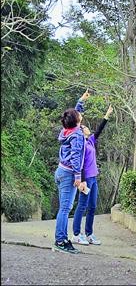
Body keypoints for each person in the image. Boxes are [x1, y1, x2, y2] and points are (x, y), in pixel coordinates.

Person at [72, 91, 113, 246]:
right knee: (82, 205)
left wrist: (107, 115)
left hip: (93, 177)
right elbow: (79, 163)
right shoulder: (81, 143)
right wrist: (81, 180)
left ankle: (89, 234)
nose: (87, 128)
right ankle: (76, 234)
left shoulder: (91, 140)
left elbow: (100, 129)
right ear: (81, 131)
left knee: (92, 206)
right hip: (85, 178)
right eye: (85, 127)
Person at [53, 106, 87, 254]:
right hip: (68, 175)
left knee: (64, 208)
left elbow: (72, 115)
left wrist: (80, 102)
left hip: (60, 171)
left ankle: (62, 238)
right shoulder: (77, 135)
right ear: (77, 121)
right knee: (65, 209)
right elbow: (76, 156)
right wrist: (78, 177)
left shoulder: (66, 131)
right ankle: (60, 240)